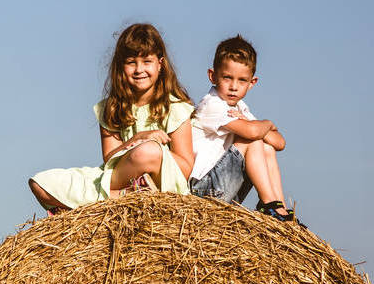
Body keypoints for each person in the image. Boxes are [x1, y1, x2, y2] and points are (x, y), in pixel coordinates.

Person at [29, 23, 195, 213]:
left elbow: (186, 167)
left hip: (161, 178)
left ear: (160, 64)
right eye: (131, 62)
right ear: (121, 66)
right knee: (40, 183)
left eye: (147, 61)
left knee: (148, 151)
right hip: (115, 176)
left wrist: (154, 151)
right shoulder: (112, 108)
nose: (139, 69)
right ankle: (128, 196)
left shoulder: (175, 108)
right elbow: (109, 159)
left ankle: (95, 202)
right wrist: (137, 140)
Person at [189, 34, 295, 222]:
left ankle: (280, 209)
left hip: (224, 190)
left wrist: (258, 127)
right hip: (203, 191)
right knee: (253, 140)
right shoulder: (211, 104)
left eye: (241, 80)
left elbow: (279, 143)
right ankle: (268, 204)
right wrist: (268, 124)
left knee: (266, 146)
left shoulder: (240, 109)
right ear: (212, 76)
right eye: (227, 78)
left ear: (252, 82)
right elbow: (253, 132)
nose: (233, 87)